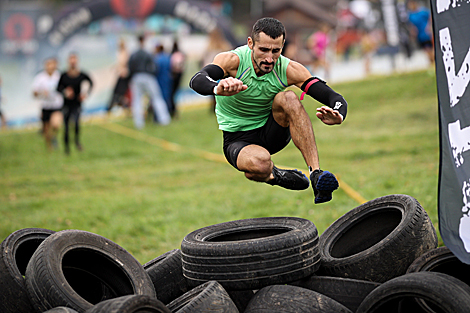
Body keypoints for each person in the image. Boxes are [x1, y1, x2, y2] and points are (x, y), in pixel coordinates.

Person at [189, 17, 348, 204]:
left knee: (288, 97)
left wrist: (339, 115)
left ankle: (316, 174)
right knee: (259, 165)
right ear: (250, 43)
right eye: (263, 50)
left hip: (273, 131)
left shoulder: (288, 69)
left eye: (276, 51)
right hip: (238, 139)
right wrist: (218, 87)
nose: (269, 58)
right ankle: (274, 175)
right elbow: (197, 79)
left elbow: (335, 98)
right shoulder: (233, 61)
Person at [128, 34, 170, 129]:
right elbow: (154, 66)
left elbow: (130, 66)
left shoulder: (134, 54)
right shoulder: (147, 53)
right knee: (156, 97)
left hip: (137, 77)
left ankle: (139, 123)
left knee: (137, 100)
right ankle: (164, 119)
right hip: (148, 76)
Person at [57, 53, 93, 155]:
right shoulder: (64, 75)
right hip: (66, 104)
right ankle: (66, 148)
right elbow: (58, 88)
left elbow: (90, 83)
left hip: (77, 104)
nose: (73, 62)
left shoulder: (81, 75)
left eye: (74, 59)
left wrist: (85, 94)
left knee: (76, 124)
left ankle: (77, 141)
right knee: (66, 127)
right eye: (71, 59)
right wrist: (65, 92)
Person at [32, 57, 63, 150]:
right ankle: (49, 147)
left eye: (52, 64)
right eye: (48, 64)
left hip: (57, 105)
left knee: (56, 124)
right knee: (46, 129)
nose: (50, 66)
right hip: (45, 106)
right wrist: (42, 93)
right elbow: (34, 93)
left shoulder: (59, 76)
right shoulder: (39, 77)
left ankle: (53, 136)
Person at [106, 38, 130, 115]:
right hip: (121, 74)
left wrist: (120, 69)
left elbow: (124, 63)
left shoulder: (124, 52)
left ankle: (110, 108)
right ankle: (113, 108)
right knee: (119, 93)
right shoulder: (121, 52)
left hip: (124, 75)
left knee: (119, 93)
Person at [407, 0, 434, 65]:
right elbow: (412, 26)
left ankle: (433, 62)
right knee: (426, 50)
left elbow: (431, 17)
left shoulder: (423, 11)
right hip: (420, 36)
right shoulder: (410, 15)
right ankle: (432, 62)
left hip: (427, 34)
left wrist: (429, 26)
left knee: (430, 49)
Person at [153, 43, 173, 116]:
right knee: (167, 97)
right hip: (167, 79)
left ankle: (161, 115)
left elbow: (155, 70)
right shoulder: (167, 57)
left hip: (160, 80)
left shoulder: (158, 59)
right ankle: (169, 112)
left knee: (160, 98)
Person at [170, 41, 186, 118]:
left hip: (174, 75)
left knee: (172, 94)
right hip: (180, 74)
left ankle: (172, 110)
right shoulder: (181, 54)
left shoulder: (172, 55)